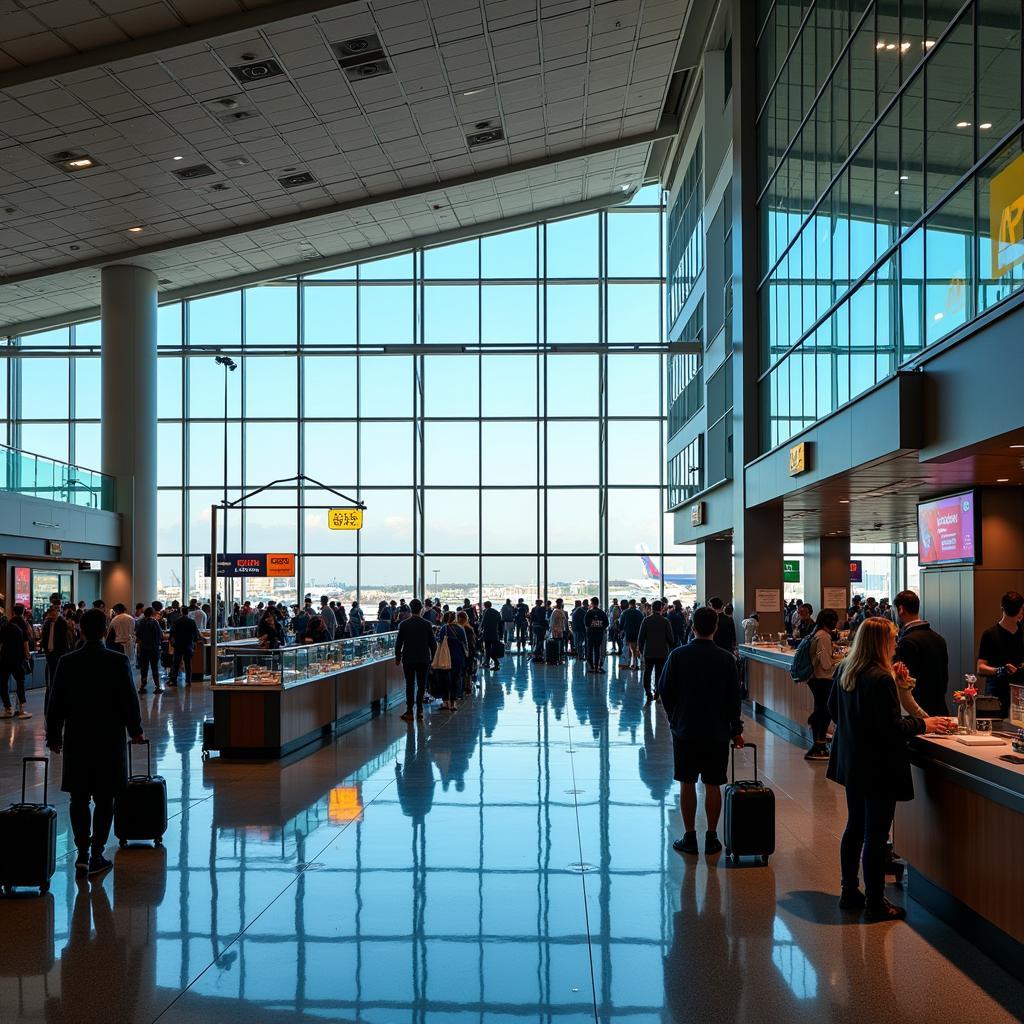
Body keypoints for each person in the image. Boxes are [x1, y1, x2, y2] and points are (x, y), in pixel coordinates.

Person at [827, 616, 951, 921]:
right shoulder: (880, 679)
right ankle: (876, 902)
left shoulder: (847, 670)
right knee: (876, 833)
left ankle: (848, 891)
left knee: (855, 827)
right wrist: (924, 724)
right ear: (883, 643)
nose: (896, 644)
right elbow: (892, 728)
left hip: (853, 762)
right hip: (878, 766)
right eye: (893, 640)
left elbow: (834, 709)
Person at [45, 608, 145, 876]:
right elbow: (129, 699)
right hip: (109, 739)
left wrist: (54, 736)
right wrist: (136, 730)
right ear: (105, 631)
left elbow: (55, 704)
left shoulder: (67, 662)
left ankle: (81, 853)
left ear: (80, 630)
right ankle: (98, 853)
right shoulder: (117, 661)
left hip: (77, 738)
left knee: (78, 798)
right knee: (105, 798)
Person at [658, 606, 744, 855]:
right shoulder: (727, 659)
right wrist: (735, 728)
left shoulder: (678, 656)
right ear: (716, 628)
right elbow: (734, 699)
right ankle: (712, 837)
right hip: (717, 731)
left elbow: (665, 690)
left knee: (686, 782)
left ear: (692, 626)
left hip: (686, 730)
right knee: (713, 784)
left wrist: (675, 717)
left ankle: (689, 837)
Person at [892, 590, 949, 715]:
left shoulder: (906, 642)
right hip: (939, 707)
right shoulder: (939, 639)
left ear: (901, 610)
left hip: (917, 713)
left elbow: (903, 683)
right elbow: (944, 678)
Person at [976, 590, 1024, 717]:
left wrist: (1019, 670)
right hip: (996, 694)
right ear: (1021, 610)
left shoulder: (990, 634)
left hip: (1019, 692)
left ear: (1001, 607)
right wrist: (1000, 670)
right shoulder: (990, 635)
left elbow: (980, 667)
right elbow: (980, 668)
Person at [804, 608, 839, 761]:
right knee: (824, 711)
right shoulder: (823, 637)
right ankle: (819, 745)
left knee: (820, 710)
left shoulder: (816, 634)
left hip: (816, 678)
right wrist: (842, 662)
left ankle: (819, 744)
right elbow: (826, 664)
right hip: (822, 679)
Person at [395, 599, 436, 722]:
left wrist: (398, 657)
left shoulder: (403, 625)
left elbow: (398, 644)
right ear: (421, 609)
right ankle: (420, 710)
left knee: (410, 684)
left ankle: (409, 711)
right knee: (422, 684)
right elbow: (433, 645)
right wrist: (432, 659)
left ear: (410, 609)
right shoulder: (427, 624)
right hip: (423, 659)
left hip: (408, 659)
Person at [637, 600, 675, 703]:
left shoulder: (646, 620)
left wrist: (641, 650)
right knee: (659, 673)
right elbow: (671, 639)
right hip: (662, 652)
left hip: (648, 652)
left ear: (651, 608)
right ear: (662, 609)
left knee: (647, 672)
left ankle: (648, 692)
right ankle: (657, 692)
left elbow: (641, 638)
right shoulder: (665, 621)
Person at [0, 604, 31, 719]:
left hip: (5, 658)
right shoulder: (23, 624)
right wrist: (27, 654)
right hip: (18, 658)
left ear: (13, 612)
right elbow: (25, 642)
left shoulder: (6, 625)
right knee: (20, 682)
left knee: (3, 683)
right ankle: (21, 709)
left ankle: (8, 708)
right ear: (23, 612)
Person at [436, 611, 467, 712]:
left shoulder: (443, 629)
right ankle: (453, 703)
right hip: (457, 656)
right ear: (455, 619)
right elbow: (465, 643)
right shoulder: (460, 628)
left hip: (445, 657)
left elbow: (440, 641)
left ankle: (445, 701)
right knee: (455, 679)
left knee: (444, 679)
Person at [41, 605, 72, 690]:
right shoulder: (47, 624)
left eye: (55, 615)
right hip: (49, 652)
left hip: (59, 652)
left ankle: (58, 688)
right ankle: (50, 688)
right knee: (50, 672)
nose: (53, 617)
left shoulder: (62, 623)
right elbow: (44, 637)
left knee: (59, 672)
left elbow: (63, 639)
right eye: (51, 615)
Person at [134, 607, 164, 694]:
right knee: (155, 667)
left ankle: (142, 686)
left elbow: (138, 635)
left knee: (144, 667)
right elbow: (160, 635)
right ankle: (157, 687)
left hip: (143, 648)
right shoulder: (155, 622)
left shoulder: (140, 622)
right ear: (152, 613)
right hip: (154, 648)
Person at [168, 610, 200, 687]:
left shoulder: (176, 621)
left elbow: (171, 633)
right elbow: (195, 633)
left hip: (178, 645)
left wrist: (172, 643)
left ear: (181, 612)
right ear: (188, 613)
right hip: (188, 645)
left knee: (176, 663)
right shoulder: (191, 621)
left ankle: (174, 680)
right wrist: (194, 643)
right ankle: (188, 680)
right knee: (188, 663)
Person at [583, 597, 608, 673]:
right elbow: (606, 623)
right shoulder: (602, 613)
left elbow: (586, 624)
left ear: (592, 603)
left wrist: (592, 626)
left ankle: (591, 666)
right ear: (598, 603)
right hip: (599, 634)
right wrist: (601, 628)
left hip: (591, 634)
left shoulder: (589, 612)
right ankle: (597, 666)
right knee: (597, 650)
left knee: (590, 650)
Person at [619, 599, 644, 669]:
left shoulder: (625, 612)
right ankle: (634, 663)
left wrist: (620, 630)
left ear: (629, 604)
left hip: (628, 633)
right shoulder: (639, 613)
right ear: (635, 604)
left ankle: (630, 663)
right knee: (635, 648)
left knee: (630, 649)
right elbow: (642, 623)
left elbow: (621, 624)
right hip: (637, 633)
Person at [479, 600, 502, 669]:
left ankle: (487, 662)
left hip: (487, 632)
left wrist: (480, 629)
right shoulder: (495, 611)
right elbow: (500, 619)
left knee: (487, 648)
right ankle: (494, 662)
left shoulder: (486, 612)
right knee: (494, 648)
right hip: (494, 632)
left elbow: (483, 622)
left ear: (485, 606)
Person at [549, 598, 569, 663]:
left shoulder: (555, 611)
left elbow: (551, 623)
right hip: (558, 631)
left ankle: (557, 657)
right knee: (560, 645)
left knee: (558, 645)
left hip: (556, 630)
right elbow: (565, 621)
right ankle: (559, 658)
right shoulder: (560, 612)